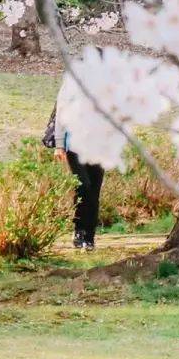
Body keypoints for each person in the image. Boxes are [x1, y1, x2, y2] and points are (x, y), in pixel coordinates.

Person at [43, 73, 104, 251]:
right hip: (74, 145)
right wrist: (59, 145)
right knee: (83, 186)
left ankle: (90, 236)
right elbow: (61, 114)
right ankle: (78, 230)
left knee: (94, 190)